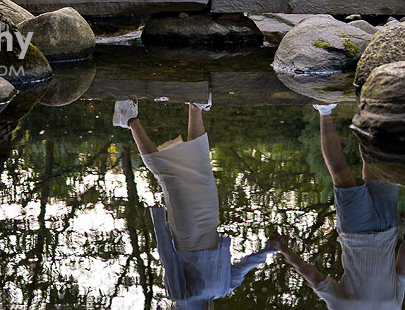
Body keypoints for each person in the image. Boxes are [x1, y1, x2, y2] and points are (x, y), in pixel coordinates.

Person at [113, 99, 280, 308]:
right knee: (196, 166)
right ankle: (192, 105)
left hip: (192, 230)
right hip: (205, 225)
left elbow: (168, 257)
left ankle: (133, 118)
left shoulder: (186, 295)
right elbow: (242, 267)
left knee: (173, 172)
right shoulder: (218, 290)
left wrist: (159, 222)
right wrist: (269, 250)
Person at [273, 105, 405, 308]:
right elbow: (402, 272)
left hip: (356, 233)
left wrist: (285, 251)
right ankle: (369, 106)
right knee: (377, 160)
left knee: (342, 175)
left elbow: (316, 280)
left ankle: (325, 109)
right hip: (389, 227)